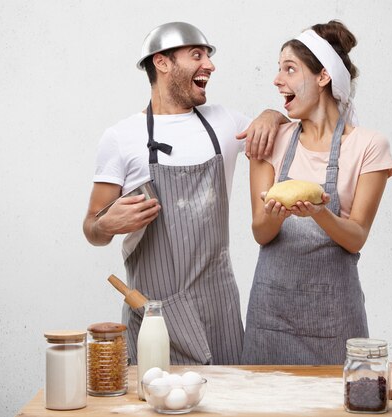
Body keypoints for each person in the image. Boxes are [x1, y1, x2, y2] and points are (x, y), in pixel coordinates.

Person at [83, 22, 286, 365]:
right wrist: (104, 226)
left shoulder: (226, 122)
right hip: (154, 316)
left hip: (218, 310)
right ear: (161, 62)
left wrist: (271, 114)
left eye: (208, 55)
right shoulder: (121, 137)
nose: (209, 65)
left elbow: (285, 129)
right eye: (197, 55)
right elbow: (92, 227)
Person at [241, 20, 392, 365]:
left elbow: (356, 238)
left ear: (323, 76)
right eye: (278, 69)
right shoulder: (269, 141)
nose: (277, 80)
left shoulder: (369, 146)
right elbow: (260, 233)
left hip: (334, 319)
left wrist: (319, 213)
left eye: (289, 69)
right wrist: (273, 215)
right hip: (270, 321)